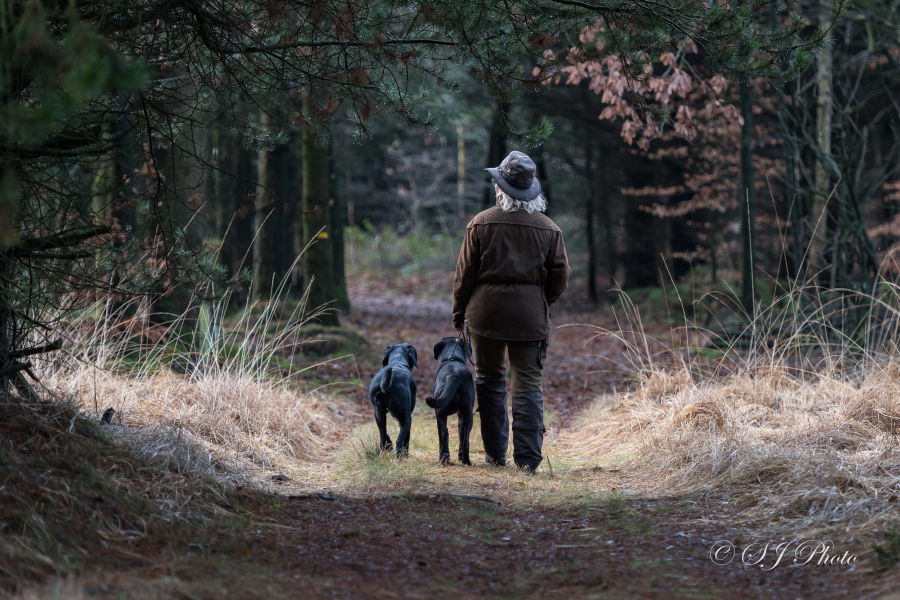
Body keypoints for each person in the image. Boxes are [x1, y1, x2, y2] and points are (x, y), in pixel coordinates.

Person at [451, 150, 571, 472]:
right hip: (529, 319)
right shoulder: (549, 229)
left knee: (489, 380)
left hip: (484, 316)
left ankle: (494, 456)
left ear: (500, 188)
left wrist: (458, 313)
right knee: (528, 384)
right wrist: (540, 301)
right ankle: (529, 462)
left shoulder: (480, 224)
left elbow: (464, 275)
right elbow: (560, 277)